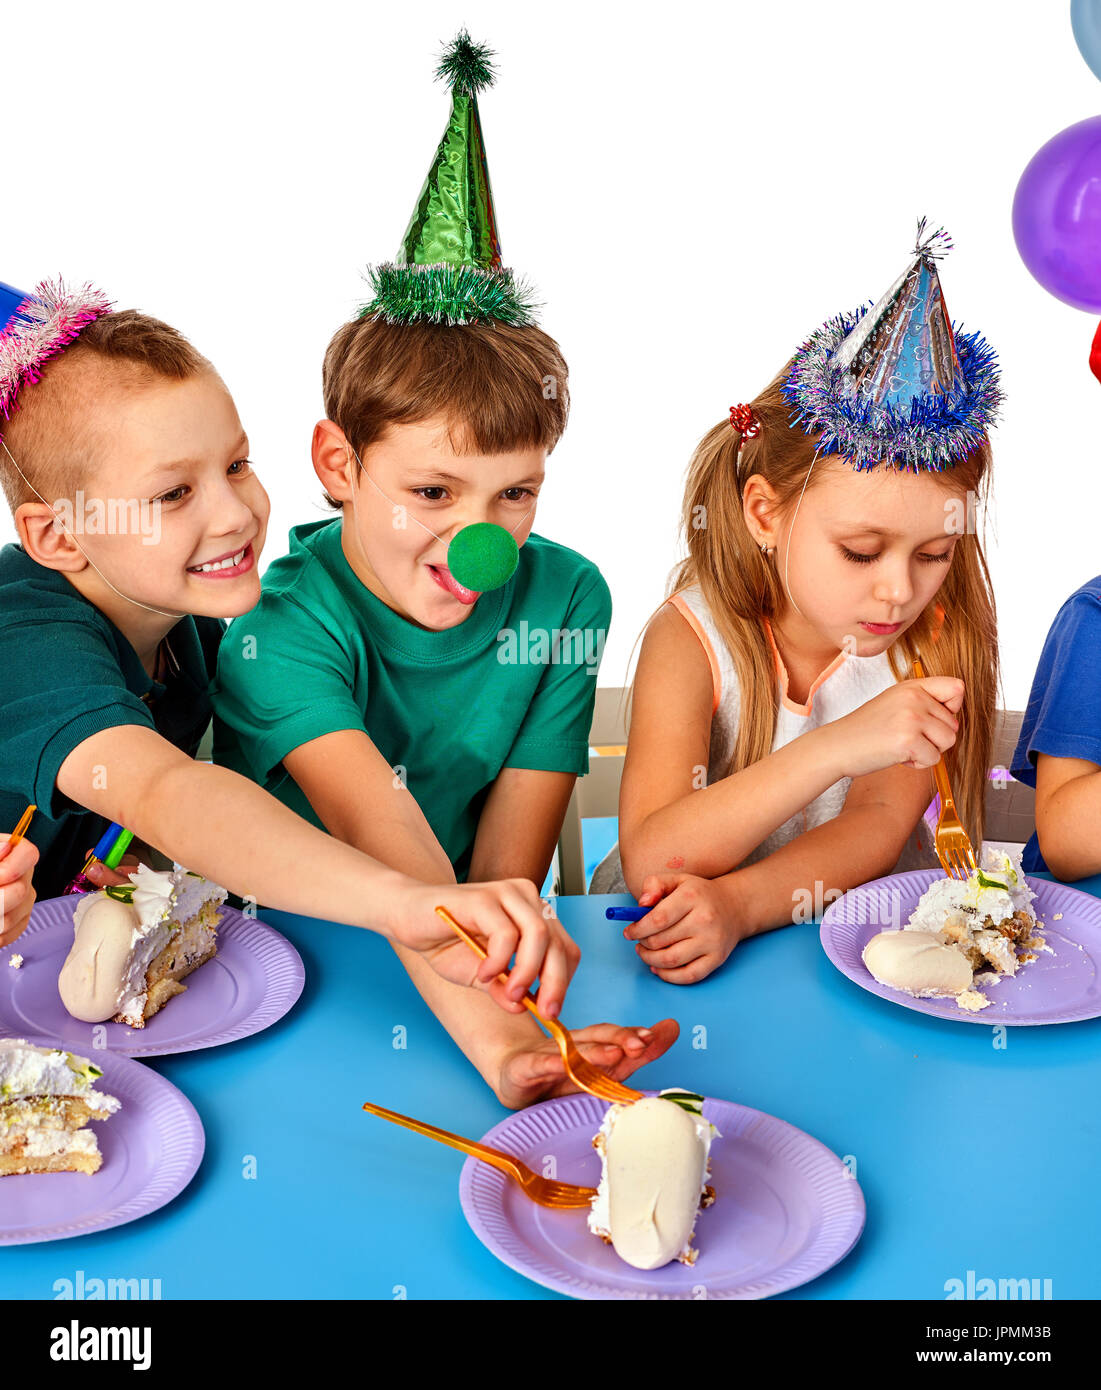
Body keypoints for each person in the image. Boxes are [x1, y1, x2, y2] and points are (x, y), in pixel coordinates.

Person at [212, 31, 677, 1104]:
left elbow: (503, 877)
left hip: (465, 957)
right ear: (338, 462)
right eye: (433, 492)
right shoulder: (276, 629)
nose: (480, 540)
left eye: (515, 495)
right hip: (294, 970)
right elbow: (393, 848)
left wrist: (523, 1017)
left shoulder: (566, 596)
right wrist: (507, 1051)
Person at [0, 280, 577, 1019]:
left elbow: (130, 827)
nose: (237, 513)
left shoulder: (191, 633)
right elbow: (165, 791)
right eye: (174, 494)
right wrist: (403, 901)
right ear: (57, 536)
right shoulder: (22, 636)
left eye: (236, 466)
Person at [593, 224, 1003, 984]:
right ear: (764, 514)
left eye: (932, 554)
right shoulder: (691, 639)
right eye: (859, 551)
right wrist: (840, 744)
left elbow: (876, 827)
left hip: (853, 954)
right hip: (684, 962)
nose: (898, 590)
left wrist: (743, 905)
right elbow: (656, 854)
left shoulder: (930, 642)